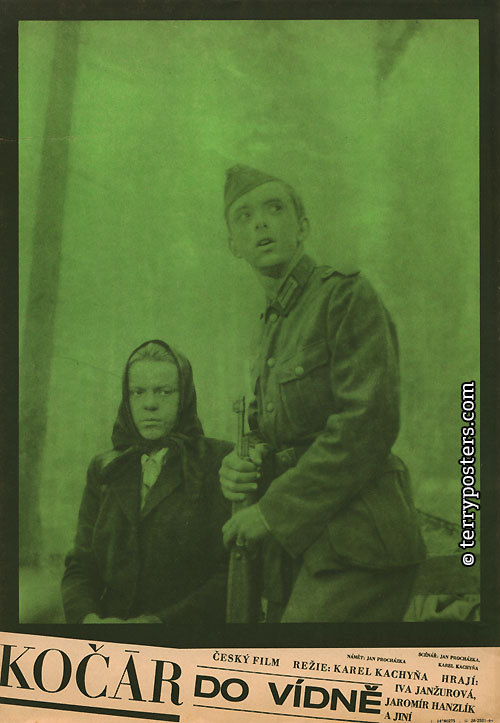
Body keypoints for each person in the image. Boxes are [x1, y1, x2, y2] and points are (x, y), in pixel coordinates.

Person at [219, 164, 427, 623]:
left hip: (361, 541)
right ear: (234, 244)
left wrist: (271, 513)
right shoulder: (271, 326)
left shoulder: (345, 296)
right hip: (303, 545)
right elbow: (276, 431)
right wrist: (240, 462)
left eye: (275, 209)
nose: (261, 223)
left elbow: (367, 424)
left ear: (302, 227)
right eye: (244, 216)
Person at [62, 340, 232, 624]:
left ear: (184, 397)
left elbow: (230, 574)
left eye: (164, 392)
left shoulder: (217, 462)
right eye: (138, 392)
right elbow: (81, 565)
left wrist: (157, 624)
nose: (150, 404)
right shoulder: (105, 468)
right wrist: (88, 620)